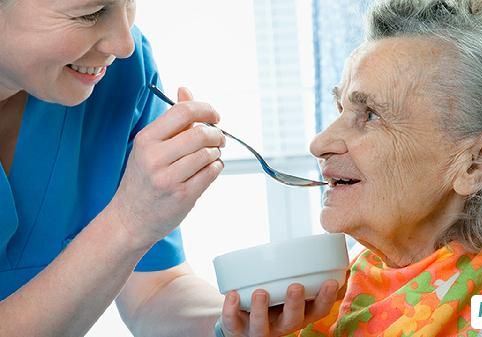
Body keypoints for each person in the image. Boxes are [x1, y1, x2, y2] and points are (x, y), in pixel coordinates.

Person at [219, 0, 482, 336]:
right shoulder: (331, 283)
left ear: (477, 161)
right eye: (342, 110)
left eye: (370, 115)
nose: (319, 144)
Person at [0, 0, 339, 336]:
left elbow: (154, 290)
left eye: (129, 4)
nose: (124, 44)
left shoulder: (124, 74)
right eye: (90, 13)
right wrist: (129, 221)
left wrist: (229, 324)